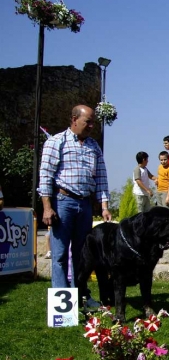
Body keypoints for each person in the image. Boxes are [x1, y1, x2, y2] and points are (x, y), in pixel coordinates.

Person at [37, 104, 111, 309]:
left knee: (83, 255)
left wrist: (104, 206)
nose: (91, 126)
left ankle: (82, 297)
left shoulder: (93, 146)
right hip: (63, 203)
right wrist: (47, 207)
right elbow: (46, 176)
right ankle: (62, 304)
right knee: (60, 255)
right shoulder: (56, 142)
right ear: (74, 119)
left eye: (93, 122)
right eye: (88, 121)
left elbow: (102, 177)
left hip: (85, 205)